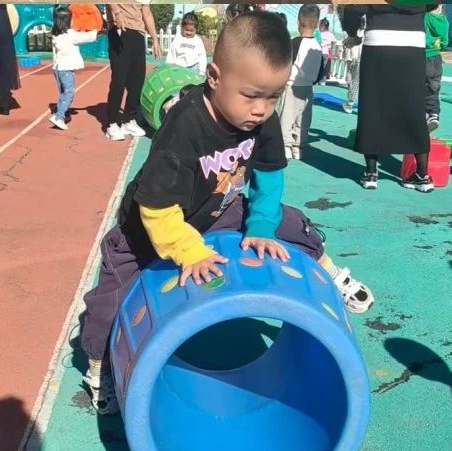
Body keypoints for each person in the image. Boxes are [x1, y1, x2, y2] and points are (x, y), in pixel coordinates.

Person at [81, 11, 374, 415]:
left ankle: (329, 271)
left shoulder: (261, 118)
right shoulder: (185, 127)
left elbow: (268, 178)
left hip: (215, 209)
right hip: (147, 230)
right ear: (215, 76)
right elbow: (156, 207)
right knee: (109, 303)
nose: (261, 109)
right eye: (251, 96)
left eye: (273, 96)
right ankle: (99, 367)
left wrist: (262, 227)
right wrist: (190, 251)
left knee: (289, 221)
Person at [342, 4, 432, 192]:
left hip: (378, 41)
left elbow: (353, 6)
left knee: (372, 104)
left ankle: (371, 173)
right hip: (413, 43)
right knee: (413, 106)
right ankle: (422, 175)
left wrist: (352, 32)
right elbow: (433, 3)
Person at [105, 3, 160, 141]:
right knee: (119, 79)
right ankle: (112, 124)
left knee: (137, 81)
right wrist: (117, 13)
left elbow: (147, 14)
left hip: (138, 34)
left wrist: (155, 39)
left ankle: (129, 120)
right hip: (119, 29)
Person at [279, 4, 323, 161]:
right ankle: (298, 146)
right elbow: (320, 70)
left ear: (298, 22)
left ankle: (286, 146)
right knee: (303, 118)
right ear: (317, 24)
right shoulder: (317, 46)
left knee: (287, 117)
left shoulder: (295, 43)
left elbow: (286, 63)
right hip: (308, 88)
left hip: (292, 85)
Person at [50, 7, 98, 131]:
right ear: (67, 21)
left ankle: (63, 112)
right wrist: (97, 30)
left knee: (63, 92)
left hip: (57, 68)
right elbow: (87, 37)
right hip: (66, 69)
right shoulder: (71, 35)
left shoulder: (55, 34)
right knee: (69, 93)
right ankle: (59, 116)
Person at [425, 4, 449, 133]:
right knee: (433, 90)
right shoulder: (444, 20)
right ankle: (434, 115)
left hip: (422, 56)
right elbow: (445, 42)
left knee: (415, 88)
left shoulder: (425, 16)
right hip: (436, 58)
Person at [166, 12, 207, 76]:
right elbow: (171, 54)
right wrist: (169, 66)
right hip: (178, 67)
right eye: (186, 30)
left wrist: (202, 71)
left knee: (193, 82)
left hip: (193, 68)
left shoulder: (198, 41)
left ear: (196, 29)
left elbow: (202, 57)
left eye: (192, 31)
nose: (189, 33)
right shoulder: (178, 39)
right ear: (182, 27)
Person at [318, 18, 334, 84]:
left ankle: (317, 80)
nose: (319, 28)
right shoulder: (331, 35)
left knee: (318, 67)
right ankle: (323, 81)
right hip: (326, 53)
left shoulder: (320, 34)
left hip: (319, 52)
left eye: (319, 27)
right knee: (324, 67)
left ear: (323, 27)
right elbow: (334, 42)